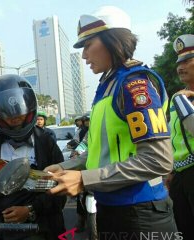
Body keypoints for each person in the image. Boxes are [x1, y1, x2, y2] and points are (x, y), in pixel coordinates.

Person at [45, 6, 177, 238]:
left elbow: (158, 159)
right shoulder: (108, 86)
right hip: (112, 206)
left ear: (111, 40)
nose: (84, 55)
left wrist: (85, 179)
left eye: (87, 45)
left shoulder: (135, 85)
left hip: (141, 213)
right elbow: (100, 151)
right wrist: (66, 168)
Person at [0, 74, 66, 240]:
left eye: (19, 114)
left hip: (43, 230)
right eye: (7, 115)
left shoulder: (45, 142)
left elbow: (61, 190)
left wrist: (30, 210)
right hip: (0, 231)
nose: (14, 119)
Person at [168, 34, 194, 240]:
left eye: (187, 60)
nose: (180, 66)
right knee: (183, 227)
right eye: (179, 62)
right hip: (180, 174)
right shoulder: (177, 97)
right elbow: (171, 137)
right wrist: (169, 170)